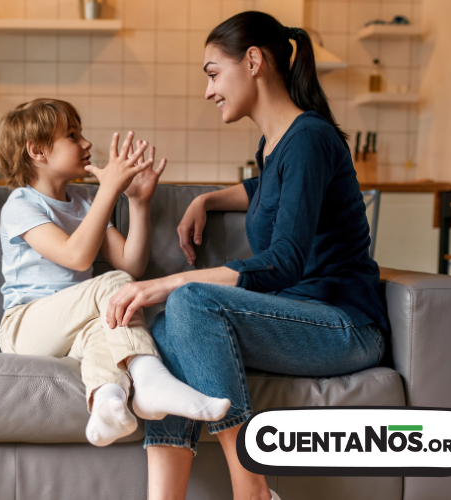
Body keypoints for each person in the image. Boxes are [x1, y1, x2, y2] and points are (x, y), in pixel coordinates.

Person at [106, 12, 389, 500]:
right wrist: (206, 200)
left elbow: (284, 263)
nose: (210, 89)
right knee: (168, 328)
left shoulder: (311, 138)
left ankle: (252, 489)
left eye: (214, 72)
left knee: (192, 301)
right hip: (306, 316)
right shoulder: (276, 145)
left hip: (345, 324)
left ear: (253, 61)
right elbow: (267, 187)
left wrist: (165, 283)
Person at [0, 98, 231, 448]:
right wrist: (108, 190)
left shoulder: (83, 202)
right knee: (119, 289)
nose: (87, 143)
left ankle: (108, 404)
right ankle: (150, 378)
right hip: (24, 327)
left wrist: (138, 202)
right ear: (38, 151)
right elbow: (75, 257)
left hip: (71, 330)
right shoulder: (21, 204)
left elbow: (130, 263)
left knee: (108, 323)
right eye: (73, 136)